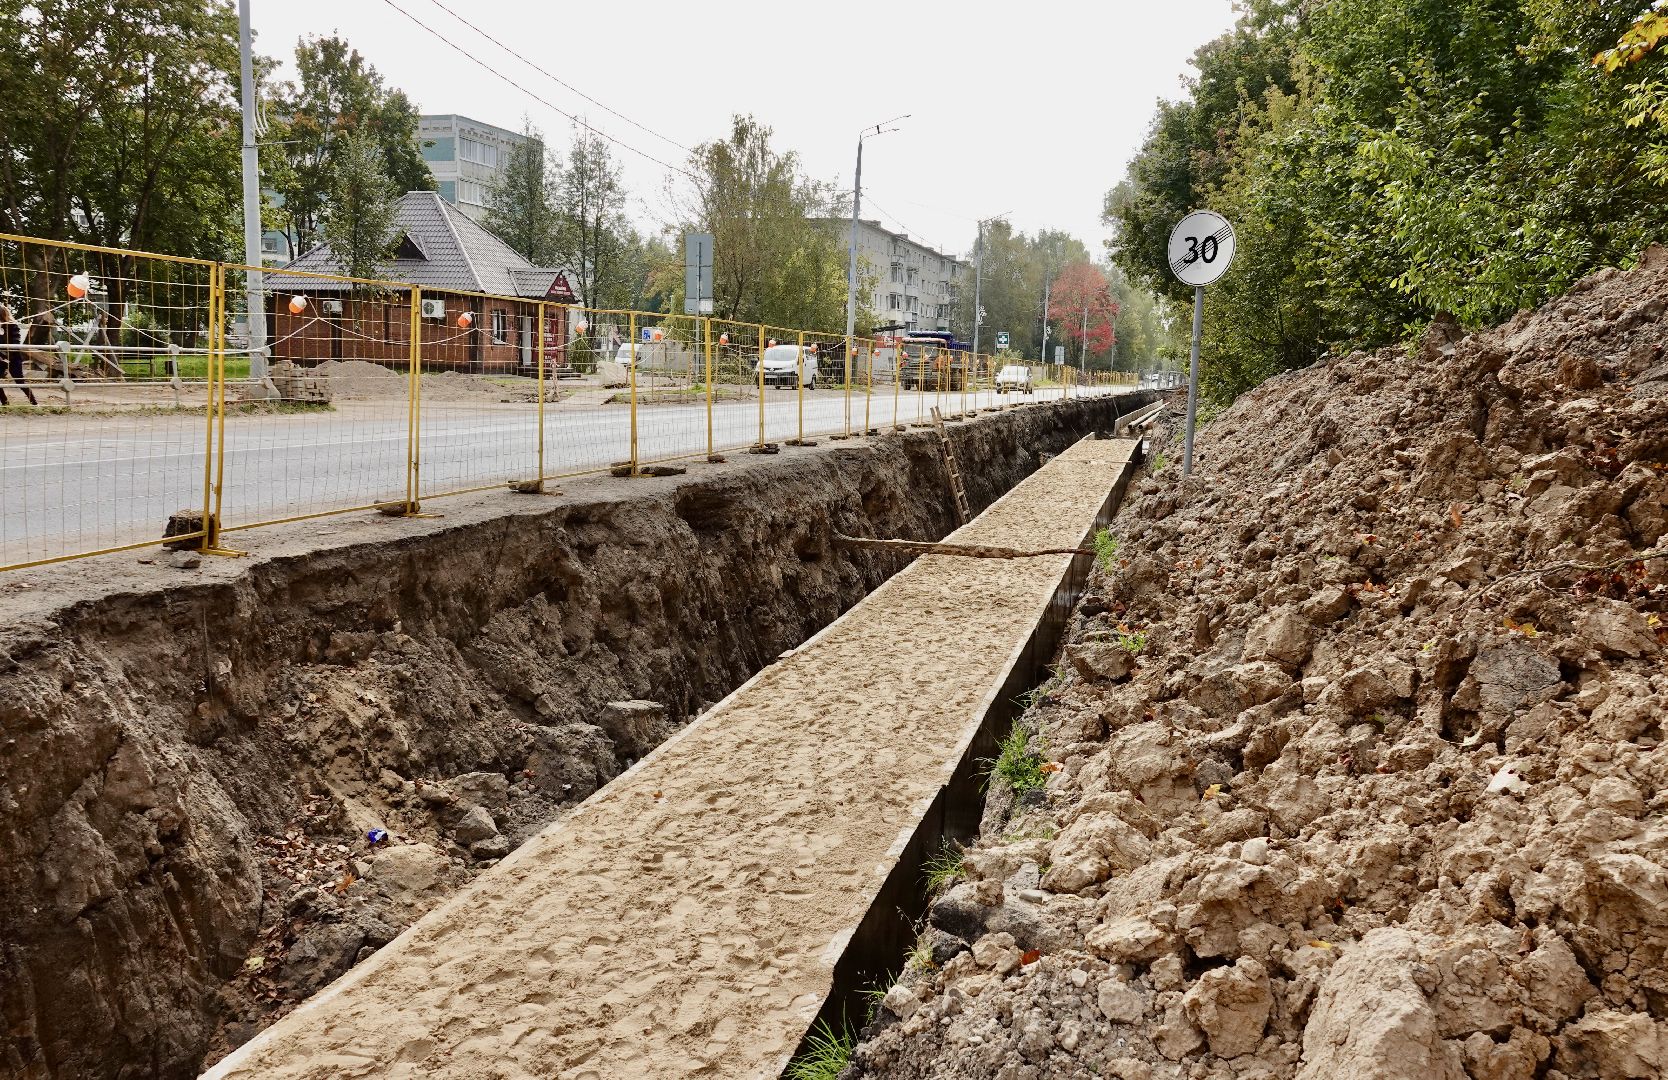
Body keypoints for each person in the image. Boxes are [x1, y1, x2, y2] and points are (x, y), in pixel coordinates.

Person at [0, 304, 38, 406]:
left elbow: (15, 344)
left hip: (13, 358)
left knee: (20, 382)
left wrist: (7, 358)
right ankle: (5, 403)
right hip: (0, 358)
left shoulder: (13, 326)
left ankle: (34, 403)